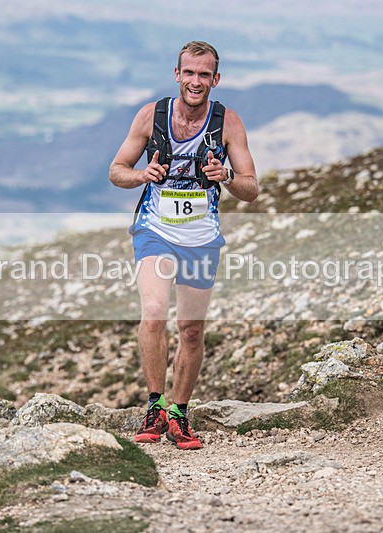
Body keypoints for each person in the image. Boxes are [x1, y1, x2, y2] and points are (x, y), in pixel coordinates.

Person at [109, 41, 258, 450]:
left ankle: (179, 414)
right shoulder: (151, 116)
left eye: (204, 74)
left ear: (216, 79)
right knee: (154, 312)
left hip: (201, 238)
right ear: (177, 74)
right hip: (155, 229)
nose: (196, 81)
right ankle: (155, 406)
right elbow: (117, 170)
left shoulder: (228, 123)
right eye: (189, 72)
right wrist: (143, 175)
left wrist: (226, 176)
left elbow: (251, 189)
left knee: (191, 330)